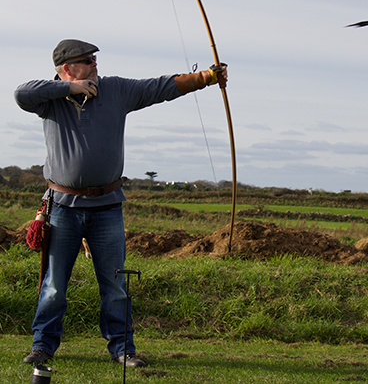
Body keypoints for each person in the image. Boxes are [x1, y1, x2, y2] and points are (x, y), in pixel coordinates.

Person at [14, 39, 227, 367]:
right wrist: (68, 89)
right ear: (67, 69)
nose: (95, 64)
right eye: (87, 61)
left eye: (95, 59)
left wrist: (205, 78)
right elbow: (21, 94)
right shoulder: (50, 99)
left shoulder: (113, 90)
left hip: (107, 206)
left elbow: (157, 88)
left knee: (115, 283)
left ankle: (122, 349)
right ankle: (43, 346)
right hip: (64, 209)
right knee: (54, 285)